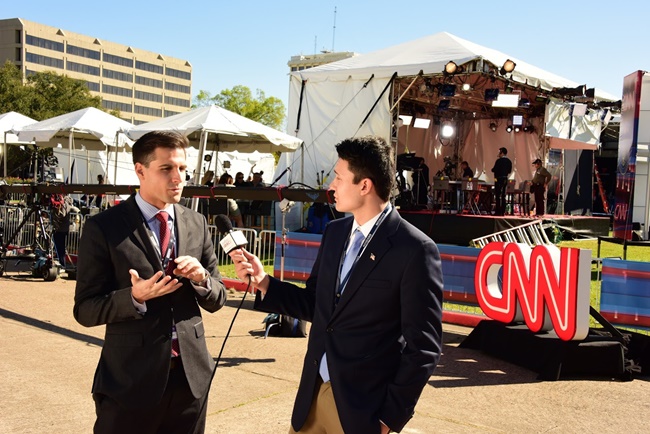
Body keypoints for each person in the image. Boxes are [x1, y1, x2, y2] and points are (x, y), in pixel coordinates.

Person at [229, 135, 443, 434]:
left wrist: (388, 419)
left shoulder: (414, 249)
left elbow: (423, 348)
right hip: (311, 397)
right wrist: (264, 281)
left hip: (363, 410)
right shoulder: (334, 232)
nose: (331, 185)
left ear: (364, 186)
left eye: (339, 177)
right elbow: (316, 304)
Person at [73, 131, 228, 434]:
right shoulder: (103, 227)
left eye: (183, 169)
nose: (178, 178)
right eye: (167, 168)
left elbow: (218, 296)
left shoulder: (196, 223)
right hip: (130, 382)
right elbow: (85, 309)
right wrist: (134, 297)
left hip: (191, 381)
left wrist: (202, 279)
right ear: (140, 170)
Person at [491, 147, 512, 215]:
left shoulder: (498, 161)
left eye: (499, 152)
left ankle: (498, 211)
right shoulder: (509, 161)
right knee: (503, 195)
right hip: (505, 178)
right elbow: (509, 171)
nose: (498, 154)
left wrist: (493, 170)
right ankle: (503, 211)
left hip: (498, 178)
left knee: (498, 195)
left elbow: (494, 169)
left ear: (502, 153)